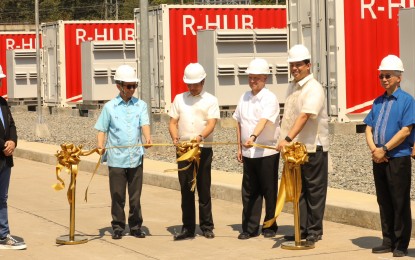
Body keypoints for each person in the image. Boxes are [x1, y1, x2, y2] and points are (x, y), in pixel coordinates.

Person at [276, 44, 329, 244]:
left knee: (314, 190)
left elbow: (305, 115)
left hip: (312, 147)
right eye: (292, 65)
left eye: (299, 65)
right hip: (296, 149)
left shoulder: (313, 88)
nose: (295, 68)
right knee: (299, 190)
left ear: (309, 65)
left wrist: (288, 139)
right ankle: (302, 228)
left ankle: (315, 231)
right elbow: (288, 116)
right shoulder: (292, 86)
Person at [364, 55, 414, 258]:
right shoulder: (378, 101)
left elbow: (406, 130)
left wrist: (384, 148)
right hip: (379, 157)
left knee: (399, 200)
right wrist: (375, 150)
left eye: (388, 76)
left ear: (399, 77)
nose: (384, 79)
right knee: (383, 199)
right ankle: (387, 240)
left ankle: (401, 243)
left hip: (398, 157)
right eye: (381, 76)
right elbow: (368, 127)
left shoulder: (407, 101)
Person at [95, 64, 152, 240]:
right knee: (118, 195)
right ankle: (118, 227)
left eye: (134, 85)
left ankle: (135, 226)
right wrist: (100, 145)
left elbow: (144, 124)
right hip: (116, 159)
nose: (132, 89)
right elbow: (102, 129)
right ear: (119, 86)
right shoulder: (109, 107)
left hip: (135, 157)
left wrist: (147, 138)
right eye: (129, 86)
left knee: (135, 197)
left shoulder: (140, 105)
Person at [168, 63, 220, 240]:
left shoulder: (211, 100)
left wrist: (200, 137)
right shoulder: (179, 99)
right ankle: (188, 227)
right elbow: (173, 122)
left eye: (196, 84)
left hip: (203, 149)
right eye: (189, 84)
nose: (192, 87)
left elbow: (212, 123)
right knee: (185, 188)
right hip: (184, 149)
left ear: (203, 81)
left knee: (204, 187)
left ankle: (207, 226)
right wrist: (175, 138)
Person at [232, 58, 280, 240]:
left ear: (265, 78)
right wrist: (239, 146)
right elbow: (238, 122)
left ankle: (270, 225)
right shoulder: (243, 97)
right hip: (248, 152)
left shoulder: (270, 98)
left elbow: (264, 121)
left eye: (256, 78)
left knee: (269, 190)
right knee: (250, 191)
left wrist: (252, 137)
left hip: (266, 151)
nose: (253, 81)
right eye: (250, 78)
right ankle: (250, 227)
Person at [0, 65, 26, 250]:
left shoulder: (2, 103)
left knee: (2, 198)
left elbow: (12, 125)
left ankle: (2, 234)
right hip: (1, 152)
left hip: (4, 160)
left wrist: (13, 142)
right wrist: (3, 145)